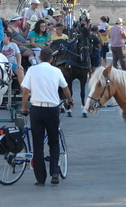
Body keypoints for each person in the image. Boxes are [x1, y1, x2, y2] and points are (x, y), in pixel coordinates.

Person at [20, 47, 74, 186]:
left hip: (37, 109)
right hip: (52, 109)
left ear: (39, 58)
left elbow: (26, 91)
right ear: (52, 59)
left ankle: (40, 178)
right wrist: (70, 100)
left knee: (37, 144)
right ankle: (55, 172)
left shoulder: (32, 70)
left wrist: (24, 107)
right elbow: (65, 88)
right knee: (53, 141)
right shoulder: (56, 71)